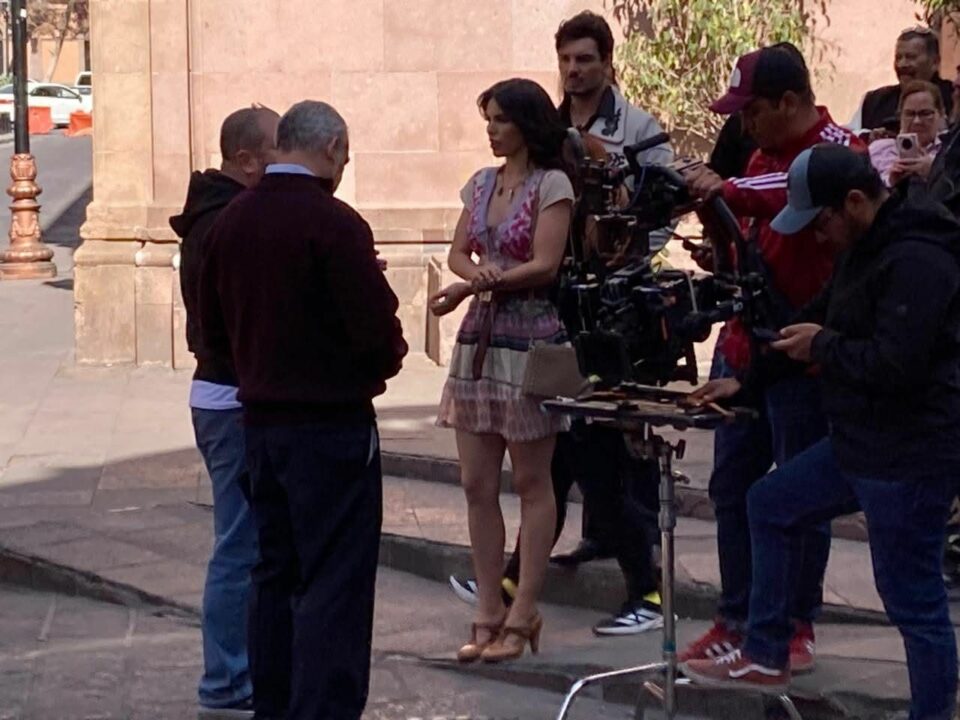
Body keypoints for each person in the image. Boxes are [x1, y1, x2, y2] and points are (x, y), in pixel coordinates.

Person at [683, 144, 960, 720]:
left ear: (854, 202)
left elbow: (896, 364)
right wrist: (748, 382)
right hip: (860, 441)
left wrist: (823, 347)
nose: (816, 236)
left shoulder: (919, 259)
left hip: (910, 453)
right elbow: (813, 318)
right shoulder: (863, 246)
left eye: (820, 222)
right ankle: (766, 650)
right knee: (770, 502)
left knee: (912, 599)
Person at [447, 11, 670, 638]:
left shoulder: (635, 128)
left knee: (596, 451)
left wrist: (623, 260)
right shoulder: (542, 131)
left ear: (607, 63)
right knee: (554, 461)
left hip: (596, 310)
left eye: (585, 59)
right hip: (529, 313)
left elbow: (659, 203)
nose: (574, 70)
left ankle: (645, 588)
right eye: (566, 60)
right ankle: (512, 583)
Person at [198, 100, 407, 720]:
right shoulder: (335, 223)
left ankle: (275, 704)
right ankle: (323, 708)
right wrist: (376, 366)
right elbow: (378, 334)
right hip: (329, 425)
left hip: (261, 425)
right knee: (334, 580)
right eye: (345, 157)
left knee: (274, 573)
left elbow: (211, 331)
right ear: (332, 147)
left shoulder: (232, 220)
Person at [678, 46, 863, 673]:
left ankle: (793, 625)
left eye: (752, 110)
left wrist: (721, 187)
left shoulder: (836, 151)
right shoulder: (759, 154)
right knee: (732, 486)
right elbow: (754, 221)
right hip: (743, 344)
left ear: (789, 102)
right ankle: (737, 619)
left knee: (796, 493)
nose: (744, 124)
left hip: (802, 354)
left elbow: (775, 192)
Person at [433, 78, 575, 663]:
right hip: (482, 338)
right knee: (476, 482)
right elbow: (457, 251)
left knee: (532, 481)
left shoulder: (552, 184)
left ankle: (524, 610)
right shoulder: (480, 183)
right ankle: (488, 606)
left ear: (525, 123)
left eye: (500, 119)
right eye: (487, 119)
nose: (491, 130)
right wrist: (475, 277)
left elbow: (546, 263)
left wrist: (481, 281)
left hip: (532, 336)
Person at [169, 105, 279, 720]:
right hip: (231, 397)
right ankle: (226, 680)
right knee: (239, 545)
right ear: (246, 158)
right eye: (278, 147)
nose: (287, 157)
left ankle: (240, 671)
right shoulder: (228, 221)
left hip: (224, 393)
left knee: (246, 541)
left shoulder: (219, 213)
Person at [849, 27, 954, 135]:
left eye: (911, 57)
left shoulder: (954, 98)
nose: (902, 64)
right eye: (898, 58)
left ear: (935, 62)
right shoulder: (875, 101)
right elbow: (851, 137)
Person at [869, 80, 947, 186]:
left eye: (925, 114)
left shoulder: (951, 150)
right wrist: (891, 182)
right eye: (910, 114)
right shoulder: (879, 150)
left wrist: (934, 171)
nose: (917, 121)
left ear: (941, 114)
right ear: (900, 115)